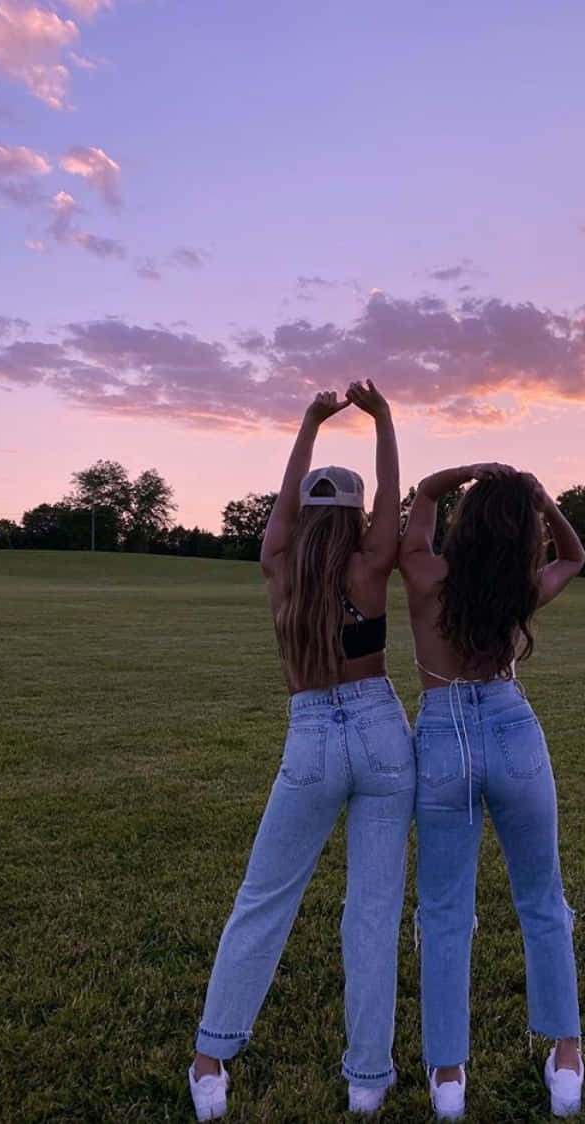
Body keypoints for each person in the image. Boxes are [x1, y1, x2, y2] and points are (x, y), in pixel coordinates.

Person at [189, 381, 414, 1121]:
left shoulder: (279, 566)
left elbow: (282, 510)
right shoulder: (369, 566)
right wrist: (381, 420)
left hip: (312, 734)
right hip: (383, 732)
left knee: (262, 901)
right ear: (352, 519)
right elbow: (392, 496)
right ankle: (367, 1080)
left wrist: (309, 423)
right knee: (373, 914)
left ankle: (212, 1060)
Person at [399, 463, 585, 1119]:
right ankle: (566, 1060)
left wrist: (466, 475)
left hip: (443, 738)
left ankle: (448, 1077)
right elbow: (575, 555)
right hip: (514, 733)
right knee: (542, 899)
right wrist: (544, 501)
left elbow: (422, 496)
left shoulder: (426, 578)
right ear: (520, 534)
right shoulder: (520, 589)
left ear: (467, 524)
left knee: (446, 911)